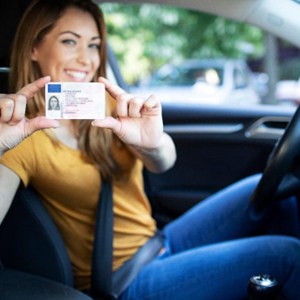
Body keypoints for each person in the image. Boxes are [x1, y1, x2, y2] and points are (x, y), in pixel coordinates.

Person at [0, 0, 299, 299]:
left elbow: (163, 163)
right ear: (33, 49)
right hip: (123, 278)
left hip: (156, 241)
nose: (86, 59)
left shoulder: (104, 103)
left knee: (269, 192)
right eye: (69, 41)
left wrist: (152, 143)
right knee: (287, 255)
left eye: (93, 45)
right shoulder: (21, 136)